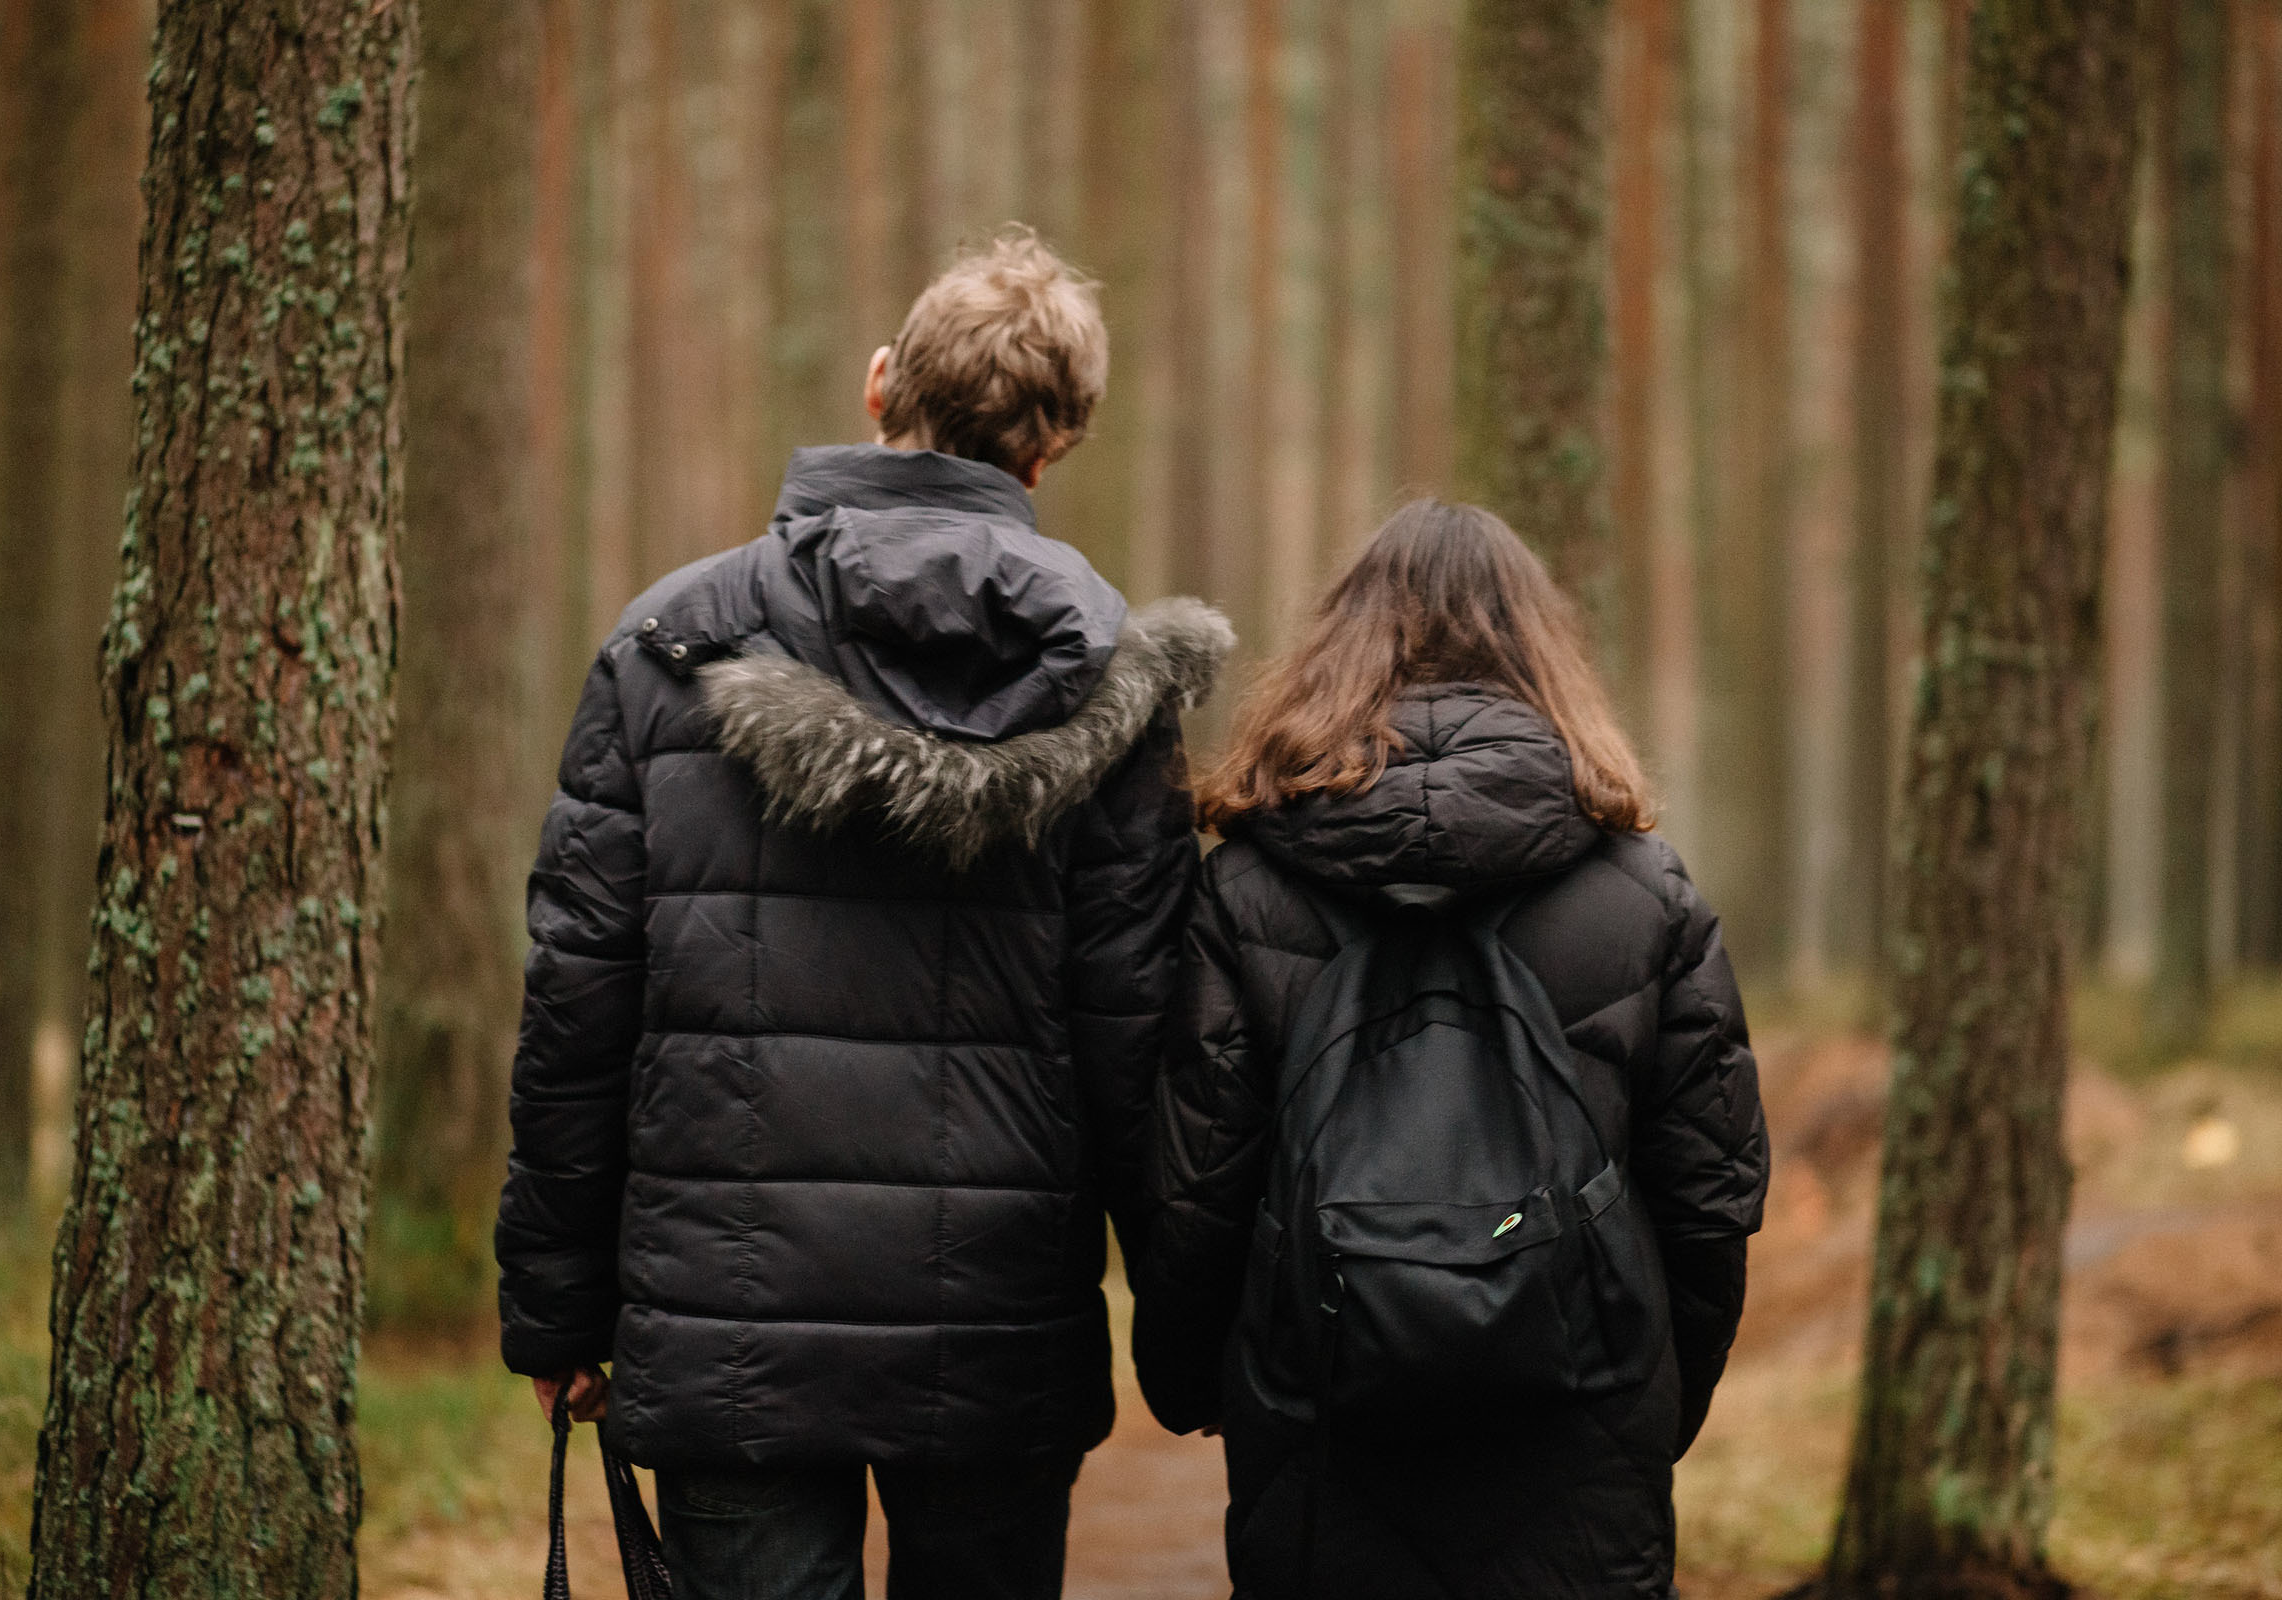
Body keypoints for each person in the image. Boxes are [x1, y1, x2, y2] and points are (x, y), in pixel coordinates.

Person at [496, 229, 1233, 1600]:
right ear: (1050, 447)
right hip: (1001, 1324)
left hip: (727, 1321)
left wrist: (556, 1300)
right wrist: (1187, 1330)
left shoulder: (670, 644)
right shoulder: (1120, 687)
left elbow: (580, 996)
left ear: (881, 383)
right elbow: (1142, 1045)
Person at [1133, 499, 1769, 1600]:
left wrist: (1205, 1380)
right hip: (1580, 1427)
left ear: (1336, 649)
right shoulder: (1643, 893)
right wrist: (1654, 1391)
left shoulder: (1245, 889)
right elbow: (1708, 1192)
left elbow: (1199, 1186)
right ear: (1542, 654)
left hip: (1321, 1423)